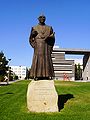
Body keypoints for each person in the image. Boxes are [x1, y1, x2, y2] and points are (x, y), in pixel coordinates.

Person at [29, 15, 55, 80]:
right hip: (38, 45)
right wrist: (32, 35)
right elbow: (30, 38)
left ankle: (47, 75)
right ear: (38, 19)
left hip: (46, 45)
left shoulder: (49, 27)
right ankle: (36, 75)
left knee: (46, 59)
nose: (42, 18)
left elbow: (53, 38)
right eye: (40, 17)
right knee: (38, 59)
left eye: (44, 17)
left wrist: (51, 37)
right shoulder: (34, 27)